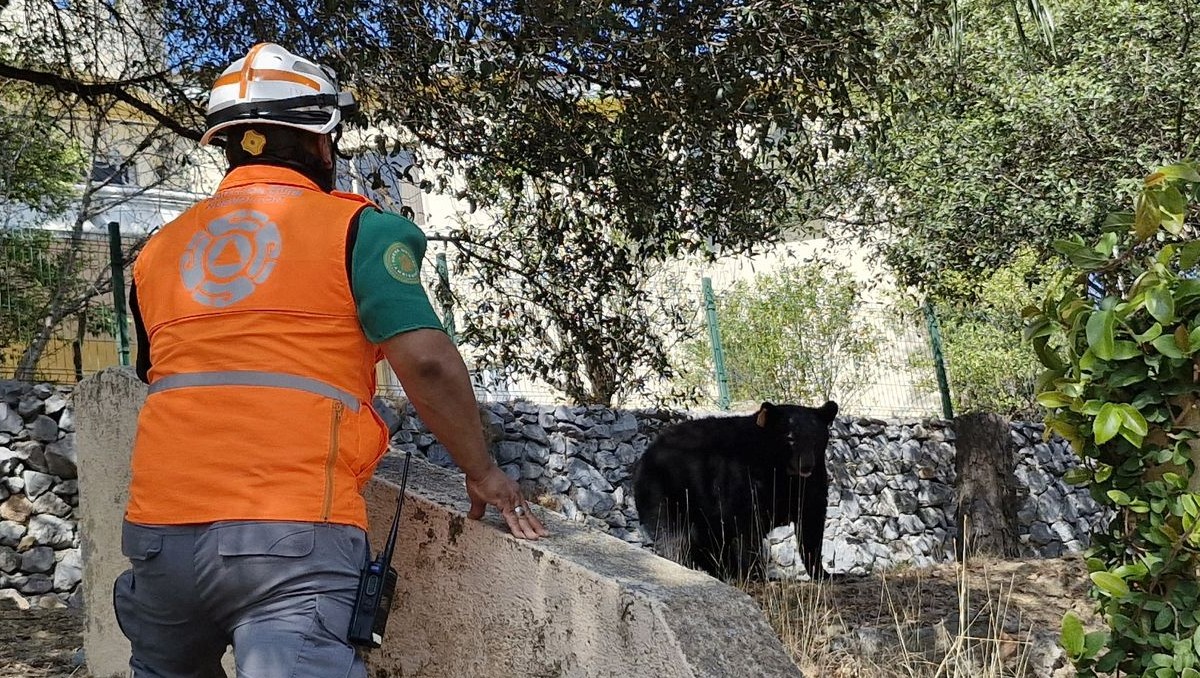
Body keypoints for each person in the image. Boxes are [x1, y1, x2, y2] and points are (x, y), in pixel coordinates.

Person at [114, 42, 547, 677]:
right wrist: (481, 470)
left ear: (227, 145)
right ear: (322, 141)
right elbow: (426, 364)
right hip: (293, 536)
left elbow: (162, 371)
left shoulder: (156, 252)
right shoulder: (359, 231)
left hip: (159, 535)